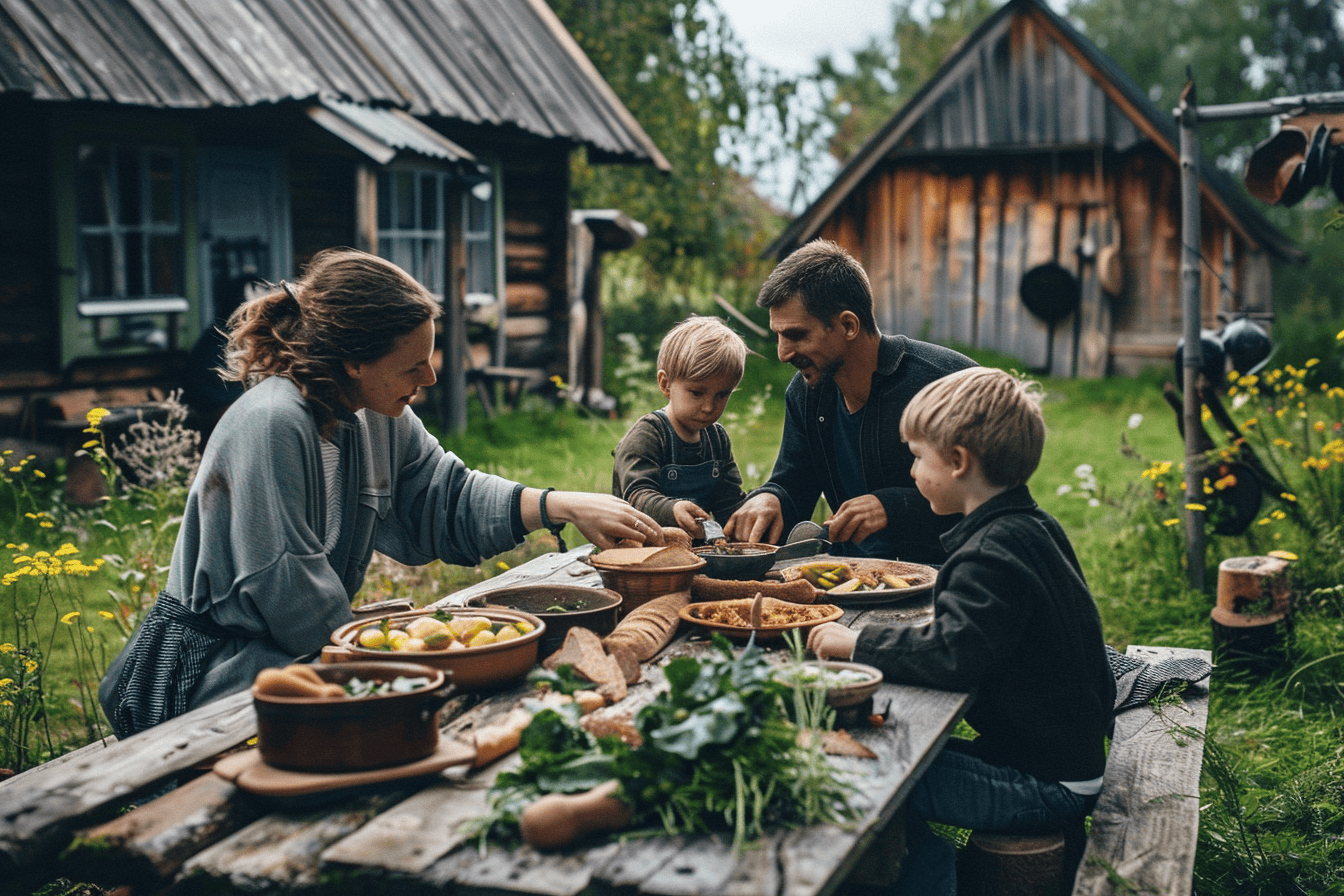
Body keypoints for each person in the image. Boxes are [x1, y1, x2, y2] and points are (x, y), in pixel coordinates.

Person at [99, 248, 661, 739]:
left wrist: (557, 504)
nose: (430, 379)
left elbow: (444, 493)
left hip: (310, 655)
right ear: (354, 360)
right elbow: (285, 583)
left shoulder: (374, 412)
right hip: (215, 675)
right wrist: (388, 655)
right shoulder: (273, 422)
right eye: (414, 365)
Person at [807, 367, 1116, 896]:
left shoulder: (989, 555)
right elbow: (980, 636)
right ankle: (922, 864)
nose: (910, 472)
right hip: (1058, 759)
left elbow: (953, 657)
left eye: (917, 457)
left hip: (1046, 785)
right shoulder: (1030, 527)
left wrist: (857, 641)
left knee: (876, 780)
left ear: (957, 462)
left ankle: (920, 877)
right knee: (888, 749)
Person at [724, 239, 975, 563]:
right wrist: (771, 497)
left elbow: (990, 501)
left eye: (796, 335)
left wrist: (892, 507)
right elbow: (794, 481)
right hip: (850, 575)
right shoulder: (805, 394)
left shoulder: (949, 383)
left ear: (848, 325)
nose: (783, 353)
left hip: (945, 579)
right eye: (779, 335)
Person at [611, 315, 748, 538]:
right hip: (641, 549)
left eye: (722, 395)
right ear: (665, 384)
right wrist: (672, 510)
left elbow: (728, 502)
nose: (708, 407)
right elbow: (636, 496)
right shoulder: (649, 434)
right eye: (697, 393)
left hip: (697, 551)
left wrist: (751, 513)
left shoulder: (717, 440)